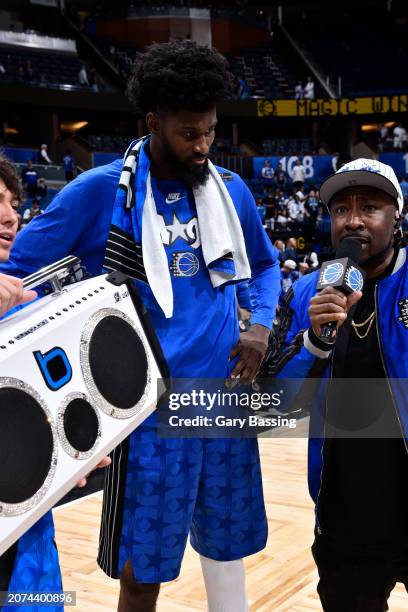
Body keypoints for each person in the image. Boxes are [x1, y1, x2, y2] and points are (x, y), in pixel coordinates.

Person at [1, 40, 281, 612]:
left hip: (224, 399)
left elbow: (268, 265)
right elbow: (17, 271)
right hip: (148, 412)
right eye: (187, 134)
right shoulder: (97, 192)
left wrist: (261, 325)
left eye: (209, 132)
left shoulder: (233, 190)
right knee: (142, 571)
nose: (202, 146)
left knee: (229, 547)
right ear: (153, 123)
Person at [262, 158, 408, 611]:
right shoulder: (305, 292)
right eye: (341, 209)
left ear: (397, 216)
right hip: (346, 522)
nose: (354, 220)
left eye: (370, 207)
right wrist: (314, 341)